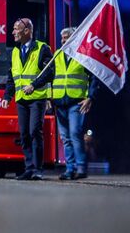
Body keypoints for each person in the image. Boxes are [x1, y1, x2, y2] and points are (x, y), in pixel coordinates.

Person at [1, 18, 54, 180]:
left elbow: (49, 72)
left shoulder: (42, 48)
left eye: (16, 29)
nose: (13, 32)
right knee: (24, 134)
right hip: (21, 99)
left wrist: (34, 85)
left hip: (37, 98)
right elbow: (12, 76)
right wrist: (7, 95)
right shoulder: (15, 51)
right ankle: (29, 168)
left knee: (34, 132)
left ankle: (38, 169)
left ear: (27, 31)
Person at [53, 27, 97, 180]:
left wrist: (90, 97)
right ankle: (70, 169)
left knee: (75, 134)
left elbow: (93, 78)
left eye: (67, 38)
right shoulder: (57, 55)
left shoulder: (83, 55)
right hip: (60, 102)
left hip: (76, 102)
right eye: (62, 38)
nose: (64, 41)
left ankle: (80, 168)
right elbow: (50, 76)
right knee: (65, 137)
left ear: (75, 38)